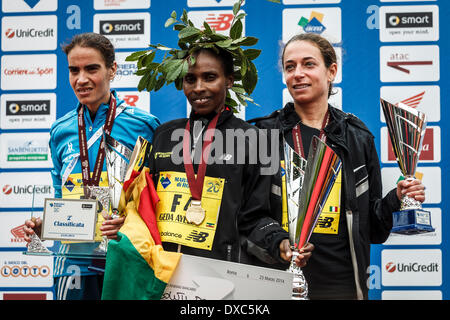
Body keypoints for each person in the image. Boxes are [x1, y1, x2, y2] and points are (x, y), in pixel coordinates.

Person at [249, 33, 426, 300]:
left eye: (308, 64)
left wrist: (397, 199)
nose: (298, 73)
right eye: (290, 66)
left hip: (342, 285)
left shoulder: (358, 136)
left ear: (331, 71)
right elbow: (249, 217)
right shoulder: (264, 134)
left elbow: (374, 229)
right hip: (278, 283)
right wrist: (280, 243)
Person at [23, 32, 160, 300]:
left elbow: (154, 198)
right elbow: (60, 195)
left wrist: (130, 222)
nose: (81, 79)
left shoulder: (144, 125)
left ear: (112, 70)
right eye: (74, 70)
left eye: (92, 69)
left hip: (126, 254)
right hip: (72, 260)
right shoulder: (60, 130)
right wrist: (44, 225)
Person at [148, 45, 313, 268]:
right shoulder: (163, 135)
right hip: (164, 272)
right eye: (190, 79)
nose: (198, 88)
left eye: (210, 77)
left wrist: (278, 241)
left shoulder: (255, 140)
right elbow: (146, 207)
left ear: (229, 80)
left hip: (222, 273)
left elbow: (256, 215)